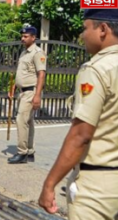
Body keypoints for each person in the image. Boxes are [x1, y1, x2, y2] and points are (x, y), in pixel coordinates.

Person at [39, 9, 118, 219]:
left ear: (103, 29)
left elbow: (81, 135)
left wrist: (50, 183)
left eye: (85, 28)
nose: (82, 35)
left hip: (98, 185)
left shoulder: (97, 69)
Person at [7, 26, 46, 164]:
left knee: (21, 120)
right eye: (22, 36)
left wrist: (38, 96)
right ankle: (29, 151)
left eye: (26, 36)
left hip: (31, 92)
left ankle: (22, 152)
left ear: (33, 37)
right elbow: (22, 72)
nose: (22, 38)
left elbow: (41, 74)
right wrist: (14, 86)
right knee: (28, 122)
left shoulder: (37, 53)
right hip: (22, 91)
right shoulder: (24, 52)